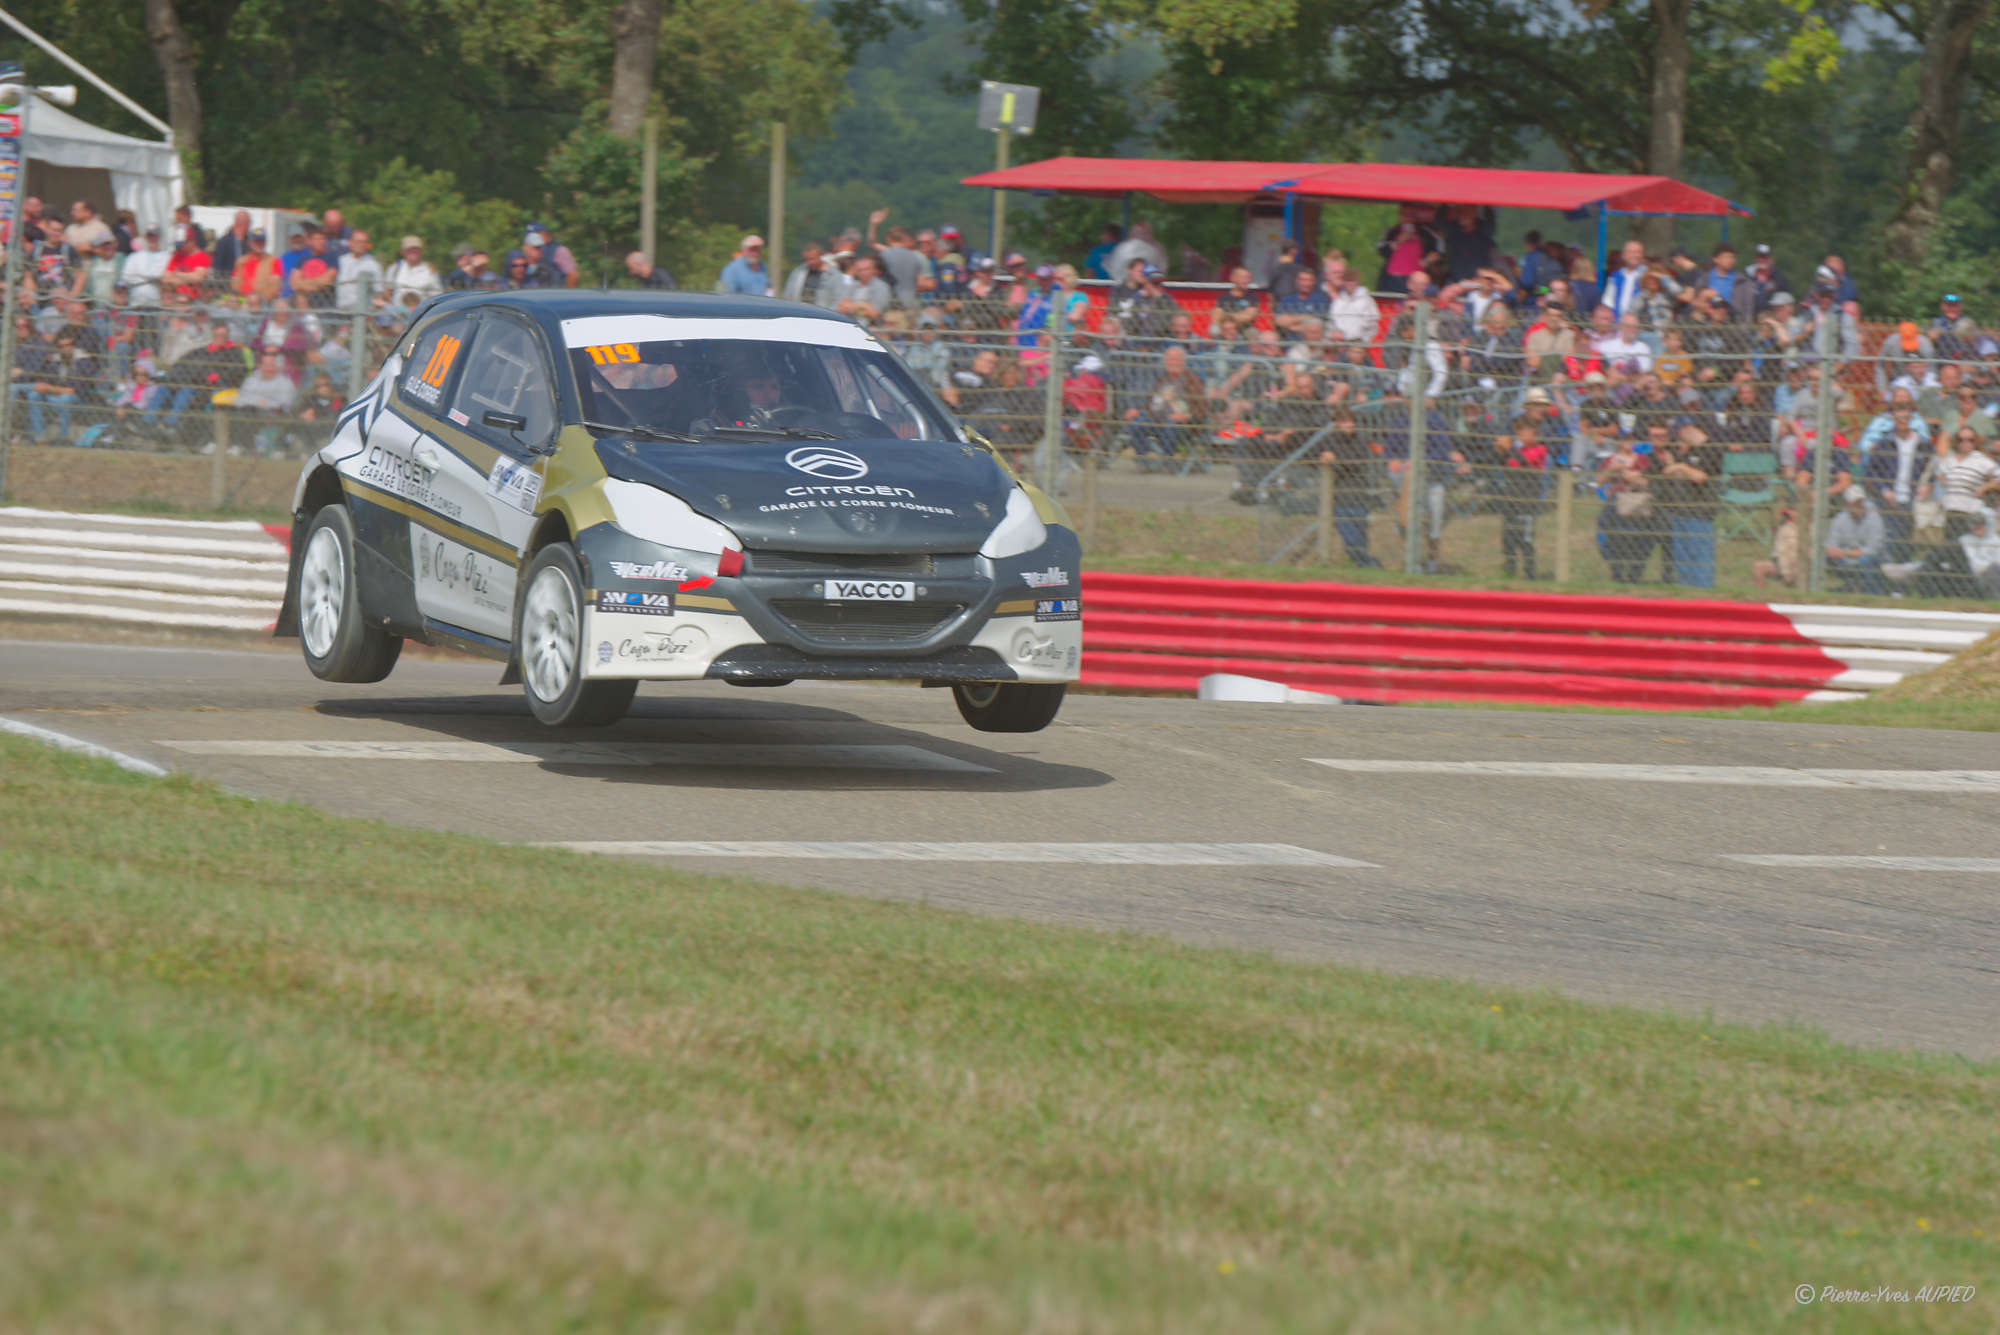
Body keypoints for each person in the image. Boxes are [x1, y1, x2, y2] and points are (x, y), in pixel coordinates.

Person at [1822, 485, 1887, 594]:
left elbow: (1874, 549)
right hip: (1846, 559)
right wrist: (1833, 551)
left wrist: (1846, 552)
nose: (1859, 505)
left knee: (1866, 560)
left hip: (1872, 560)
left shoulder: (1874, 517)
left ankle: (1871, 593)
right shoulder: (1840, 520)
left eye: (1860, 501)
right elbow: (1831, 546)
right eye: (1855, 502)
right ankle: (1850, 589)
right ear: (1847, 504)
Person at [383, 236, 440, 306]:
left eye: (416, 249)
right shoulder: (394, 268)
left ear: (421, 251)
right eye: (409, 249)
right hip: (397, 313)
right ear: (402, 251)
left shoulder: (429, 270)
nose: (413, 252)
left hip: (422, 314)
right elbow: (387, 293)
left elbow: (437, 296)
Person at [335, 230, 384, 309]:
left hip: (363, 312)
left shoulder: (373, 265)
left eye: (364, 242)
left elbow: (378, 291)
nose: (361, 245)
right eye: (358, 242)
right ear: (350, 243)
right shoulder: (341, 261)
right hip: (341, 310)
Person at [209, 210, 255, 280]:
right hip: (227, 284)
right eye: (249, 222)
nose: (250, 226)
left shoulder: (250, 242)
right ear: (242, 223)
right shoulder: (224, 242)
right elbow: (217, 266)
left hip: (247, 283)